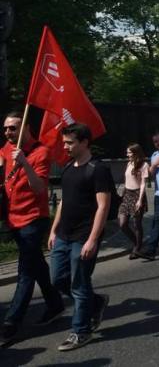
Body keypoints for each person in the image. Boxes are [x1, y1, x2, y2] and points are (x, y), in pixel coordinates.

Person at [0, 112, 64, 344]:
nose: (8, 132)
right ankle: (56, 304)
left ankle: (11, 323)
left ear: (26, 128)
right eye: (6, 128)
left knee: (26, 271)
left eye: (13, 128)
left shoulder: (41, 152)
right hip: (12, 218)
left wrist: (25, 163)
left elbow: (39, 188)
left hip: (33, 219)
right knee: (37, 265)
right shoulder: (5, 150)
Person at [48, 123, 111, 351]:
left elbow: (103, 206)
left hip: (84, 236)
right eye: (64, 142)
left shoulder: (97, 169)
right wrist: (54, 229)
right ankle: (96, 302)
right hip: (64, 234)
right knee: (58, 279)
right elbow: (64, 201)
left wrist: (93, 239)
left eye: (69, 142)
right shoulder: (67, 168)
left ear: (84, 142)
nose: (65, 146)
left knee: (79, 284)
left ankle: (80, 331)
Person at [118, 143, 149, 258]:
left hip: (137, 194)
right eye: (127, 152)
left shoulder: (144, 165)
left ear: (136, 153)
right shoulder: (128, 164)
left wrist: (140, 200)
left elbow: (143, 184)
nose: (127, 154)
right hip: (127, 194)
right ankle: (137, 243)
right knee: (122, 224)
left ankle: (137, 248)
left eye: (129, 152)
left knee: (137, 224)